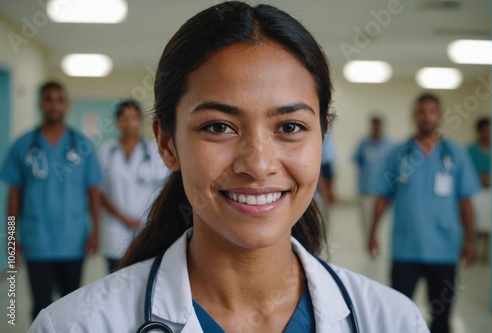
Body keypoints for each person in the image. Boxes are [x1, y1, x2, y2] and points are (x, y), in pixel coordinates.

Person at [29, 3, 429, 332]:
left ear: (322, 139)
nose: (258, 164)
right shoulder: (73, 325)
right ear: (167, 144)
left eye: (290, 127)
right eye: (219, 127)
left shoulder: (394, 321)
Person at [368, 93, 480, 333]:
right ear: (414, 116)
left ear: (439, 116)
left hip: (444, 249)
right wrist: (372, 232)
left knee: (441, 317)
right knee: (398, 314)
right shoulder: (399, 154)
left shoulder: (454, 155)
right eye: (422, 111)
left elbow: (466, 202)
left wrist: (471, 240)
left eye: (432, 112)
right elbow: (382, 196)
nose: (426, 117)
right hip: (406, 247)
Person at [0, 81, 103, 321]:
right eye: (48, 99)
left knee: (71, 306)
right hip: (38, 241)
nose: (54, 105)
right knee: (40, 307)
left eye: (59, 99)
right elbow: (14, 195)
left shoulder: (83, 145)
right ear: (40, 103)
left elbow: (93, 192)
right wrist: (11, 237)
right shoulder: (23, 145)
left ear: (66, 105)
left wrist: (96, 231)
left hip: (73, 238)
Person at [99, 100, 170, 273]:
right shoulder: (106, 151)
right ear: (117, 121)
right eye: (124, 117)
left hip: (146, 226)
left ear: (140, 121)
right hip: (115, 226)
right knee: (114, 276)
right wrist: (123, 217)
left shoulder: (154, 151)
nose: (129, 122)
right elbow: (99, 192)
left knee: (142, 276)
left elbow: (166, 187)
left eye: (133, 117)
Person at [352, 116, 393, 241]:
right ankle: (369, 245)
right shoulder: (363, 144)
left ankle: (379, 244)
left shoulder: (389, 146)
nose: (376, 128)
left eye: (378, 125)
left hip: (383, 192)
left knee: (382, 223)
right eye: (374, 125)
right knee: (366, 221)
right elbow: (358, 163)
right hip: (366, 190)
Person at [467, 117, 492, 262]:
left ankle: (487, 252)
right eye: (485, 131)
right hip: (476, 193)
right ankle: (473, 248)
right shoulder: (470, 151)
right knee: (476, 221)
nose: (488, 134)